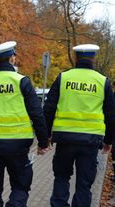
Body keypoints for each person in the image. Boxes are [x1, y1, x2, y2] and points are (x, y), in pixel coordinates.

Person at [0, 41, 49, 207]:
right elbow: (37, 113)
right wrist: (42, 142)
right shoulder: (22, 81)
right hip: (18, 145)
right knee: (20, 185)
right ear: (12, 58)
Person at [44, 44, 115, 207]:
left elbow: (48, 109)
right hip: (90, 141)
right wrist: (109, 141)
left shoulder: (63, 78)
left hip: (65, 139)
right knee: (84, 183)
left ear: (75, 57)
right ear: (94, 58)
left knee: (61, 177)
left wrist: (46, 136)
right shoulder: (102, 81)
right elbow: (111, 115)